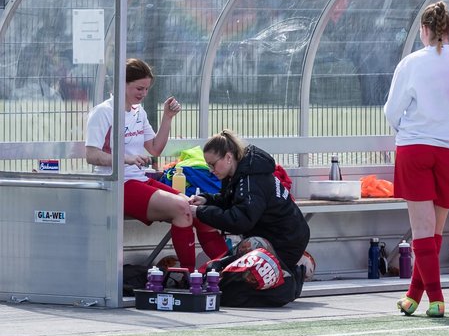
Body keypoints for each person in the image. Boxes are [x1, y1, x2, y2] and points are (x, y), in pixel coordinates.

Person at [383, 2, 449, 318]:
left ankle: (436, 299)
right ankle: (413, 296)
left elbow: (392, 112)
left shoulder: (411, 63)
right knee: (434, 228)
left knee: (422, 229)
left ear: (424, 30)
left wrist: (412, 131)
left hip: (415, 148)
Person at [84, 57, 227, 271]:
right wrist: (125, 158)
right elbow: (91, 155)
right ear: (121, 83)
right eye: (138, 88)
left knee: (198, 209)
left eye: (147, 89)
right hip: (116, 184)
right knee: (181, 208)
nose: (143, 94)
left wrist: (167, 118)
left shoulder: (138, 111)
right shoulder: (103, 112)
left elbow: (155, 149)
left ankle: (228, 267)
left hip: (138, 179)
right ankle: (187, 275)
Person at [193, 130, 309, 307]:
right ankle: (288, 268)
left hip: (285, 242)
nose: (211, 171)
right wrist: (207, 199)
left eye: (212, 165)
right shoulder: (241, 172)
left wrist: (200, 212)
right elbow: (232, 201)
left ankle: (286, 274)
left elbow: (240, 220)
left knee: (249, 248)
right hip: (281, 237)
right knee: (223, 268)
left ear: (229, 157)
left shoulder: (250, 180)